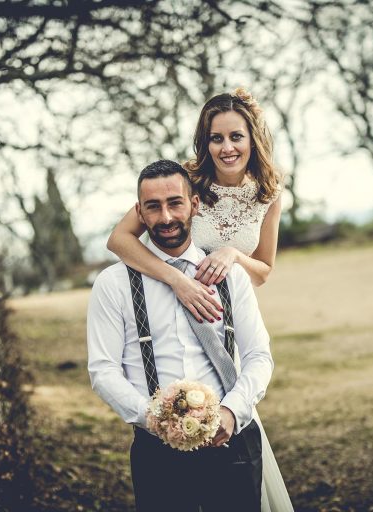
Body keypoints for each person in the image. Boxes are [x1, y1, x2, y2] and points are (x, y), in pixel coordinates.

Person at [107, 88, 293, 512]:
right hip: (172, 304)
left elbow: (263, 271)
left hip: (225, 314)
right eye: (216, 138)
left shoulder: (270, 193)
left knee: (236, 434)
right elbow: (119, 240)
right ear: (203, 142)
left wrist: (230, 255)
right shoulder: (186, 184)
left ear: (253, 139)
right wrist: (177, 281)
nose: (227, 148)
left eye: (236, 136)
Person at [87, 160, 274, 511]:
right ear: (139, 212)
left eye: (175, 203)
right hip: (157, 452)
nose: (166, 217)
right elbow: (103, 370)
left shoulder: (230, 277)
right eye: (154, 207)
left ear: (194, 205)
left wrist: (232, 412)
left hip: (233, 443)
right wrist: (153, 419)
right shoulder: (113, 285)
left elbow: (258, 356)